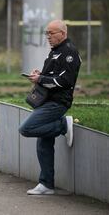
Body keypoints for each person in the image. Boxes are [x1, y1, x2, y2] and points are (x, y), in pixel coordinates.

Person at [18, 19, 81, 195]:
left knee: (27, 128)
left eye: (51, 33)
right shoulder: (55, 52)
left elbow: (65, 81)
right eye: (46, 33)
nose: (48, 37)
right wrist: (40, 75)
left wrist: (41, 80)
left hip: (57, 103)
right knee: (44, 145)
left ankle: (63, 125)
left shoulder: (69, 53)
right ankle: (46, 184)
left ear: (62, 33)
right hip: (46, 100)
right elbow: (52, 76)